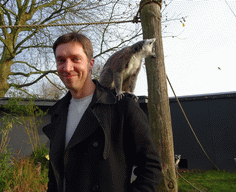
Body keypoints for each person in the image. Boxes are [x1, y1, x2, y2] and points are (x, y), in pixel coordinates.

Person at [42, 32, 162, 192]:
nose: (67, 68)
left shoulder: (122, 106)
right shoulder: (58, 113)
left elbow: (151, 169)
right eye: (61, 60)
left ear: (91, 64)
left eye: (75, 59)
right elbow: (55, 174)